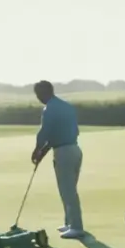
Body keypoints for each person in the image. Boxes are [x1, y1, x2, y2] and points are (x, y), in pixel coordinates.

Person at [31, 80, 84, 239]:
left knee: (67, 190)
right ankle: (69, 223)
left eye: (38, 94)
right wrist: (42, 153)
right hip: (75, 150)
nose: (38, 98)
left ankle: (76, 227)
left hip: (63, 153)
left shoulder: (49, 109)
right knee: (68, 189)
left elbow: (45, 133)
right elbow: (56, 135)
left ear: (44, 93)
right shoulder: (66, 106)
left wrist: (37, 150)